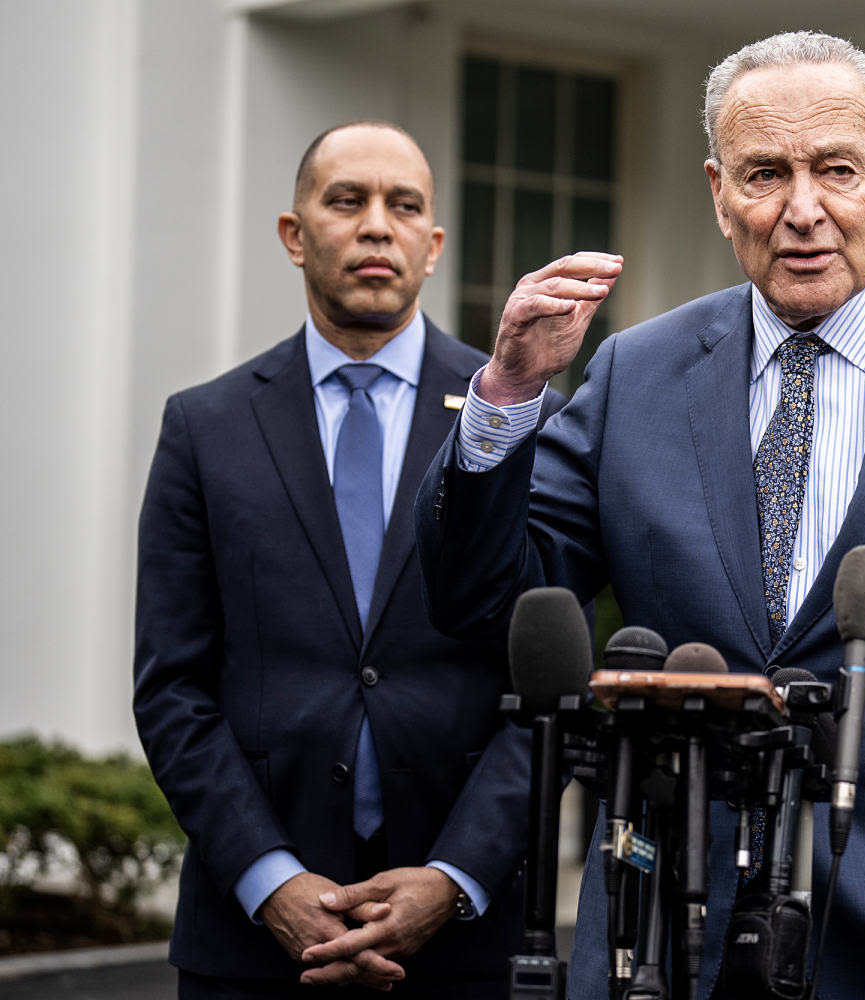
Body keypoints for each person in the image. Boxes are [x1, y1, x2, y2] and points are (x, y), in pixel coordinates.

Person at [412, 31, 865, 999]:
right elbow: (482, 597)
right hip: (669, 928)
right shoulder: (637, 372)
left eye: (835, 168)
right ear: (718, 192)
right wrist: (504, 393)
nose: (802, 210)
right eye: (764, 173)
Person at [134, 120, 553, 996]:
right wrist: (270, 881)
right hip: (250, 948)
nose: (375, 227)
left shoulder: (519, 420)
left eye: (403, 207)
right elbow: (173, 686)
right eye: (345, 201)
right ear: (294, 235)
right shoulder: (203, 429)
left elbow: (548, 696)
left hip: (462, 950)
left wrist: (454, 879)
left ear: (433, 245)